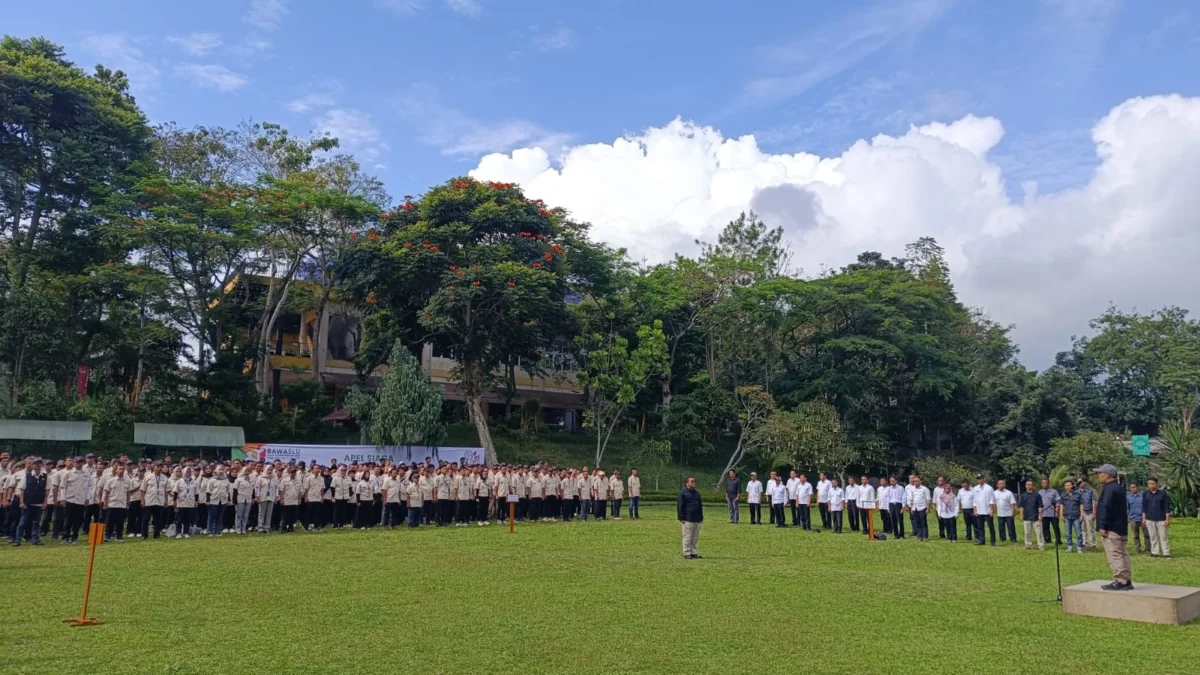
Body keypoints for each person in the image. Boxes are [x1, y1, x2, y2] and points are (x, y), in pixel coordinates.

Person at [1094, 464, 1132, 591]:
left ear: (1108, 474)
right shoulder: (1119, 488)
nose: (1099, 475)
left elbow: (1106, 507)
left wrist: (1103, 525)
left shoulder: (1109, 489)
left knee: (1114, 554)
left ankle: (1120, 580)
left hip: (1111, 528)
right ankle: (1126, 579)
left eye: (1100, 473)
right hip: (1121, 526)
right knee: (1123, 553)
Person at [10, 459, 46, 546]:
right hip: (27, 503)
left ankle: (35, 540)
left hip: (38, 503)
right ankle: (17, 540)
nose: (38, 466)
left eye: (39, 464)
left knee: (36, 522)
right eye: (36, 464)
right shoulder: (26, 476)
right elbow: (22, 490)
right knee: (23, 522)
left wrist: (45, 502)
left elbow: (47, 490)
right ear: (32, 466)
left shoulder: (45, 476)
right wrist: (22, 502)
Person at [1142, 477, 1171, 558]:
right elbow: (1144, 507)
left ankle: (1166, 553)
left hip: (1161, 518)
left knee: (1163, 536)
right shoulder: (1145, 494)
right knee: (1152, 536)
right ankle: (1155, 552)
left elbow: (1167, 507)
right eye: (1149, 484)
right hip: (1149, 518)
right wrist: (1144, 518)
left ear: (1157, 484)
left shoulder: (1163, 494)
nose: (1151, 485)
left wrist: (1167, 519)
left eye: (1153, 484)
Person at [677, 476, 703, 559]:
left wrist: (701, 517)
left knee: (695, 537)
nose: (694, 483)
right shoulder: (682, 493)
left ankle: (694, 552)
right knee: (687, 536)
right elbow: (680, 505)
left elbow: (700, 505)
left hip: (697, 518)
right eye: (692, 481)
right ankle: (687, 552)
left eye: (694, 481)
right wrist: (681, 517)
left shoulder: (697, 493)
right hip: (688, 518)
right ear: (687, 483)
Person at [1059, 480, 1084, 553]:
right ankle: (1070, 547)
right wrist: (1061, 514)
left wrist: (1082, 515)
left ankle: (1079, 548)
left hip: (1076, 516)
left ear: (1072, 486)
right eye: (1066, 485)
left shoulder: (1078, 494)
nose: (1067, 487)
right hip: (1067, 516)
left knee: (1078, 533)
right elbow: (1061, 505)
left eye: (1068, 485)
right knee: (1068, 533)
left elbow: (1081, 505)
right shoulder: (1063, 495)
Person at [1018, 480, 1043, 550]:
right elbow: (1021, 506)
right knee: (1027, 532)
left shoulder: (1037, 495)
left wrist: (1040, 515)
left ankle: (1040, 545)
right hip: (1026, 516)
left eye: (1029, 484)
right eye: (1027, 484)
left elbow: (1040, 506)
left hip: (1036, 517)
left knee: (1039, 532)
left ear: (1033, 486)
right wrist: (1021, 515)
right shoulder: (1023, 495)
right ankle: (1028, 544)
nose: (1028, 486)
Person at [905, 475, 931, 541]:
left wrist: (928, 508)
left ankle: (925, 536)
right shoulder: (912, 489)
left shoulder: (924, 489)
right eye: (914, 481)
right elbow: (911, 499)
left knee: (923, 522)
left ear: (920, 481)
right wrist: (911, 507)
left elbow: (928, 499)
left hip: (922, 507)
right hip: (914, 508)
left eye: (916, 481)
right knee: (917, 523)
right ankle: (919, 536)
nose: (915, 482)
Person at [972, 475, 996, 546]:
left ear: (983, 479)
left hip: (988, 511)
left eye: (980, 479)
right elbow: (974, 501)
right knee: (980, 527)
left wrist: (992, 510)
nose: (979, 480)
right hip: (979, 511)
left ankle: (993, 541)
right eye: (978, 479)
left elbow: (992, 500)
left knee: (991, 527)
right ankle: (982, 540)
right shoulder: (975, 488)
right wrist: (975, 510)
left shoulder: (989, 488)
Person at [1037, 479, 1061, 547]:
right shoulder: (1040, 492)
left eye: (1045, 483)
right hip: (1044, 513)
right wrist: (1039, 513)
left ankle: (1058, 540)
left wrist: (1057, 511)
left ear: (1048, 483)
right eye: (1043, 483)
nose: (1044, 484)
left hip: (1053, 513)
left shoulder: (1054, 491)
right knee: (1045, 528)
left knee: (1056, 527)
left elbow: (1058, 502)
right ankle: (1048, 540)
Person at [1125, 482, 1148, 553]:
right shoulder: (1128, 497)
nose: (1132, 489)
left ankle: (1148, 548)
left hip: (1143, 518)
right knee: (1135, 535)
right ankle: (1138, 549)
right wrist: (1127, 517)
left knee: (1147, 534)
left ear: (1137, 487)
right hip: (1133, 518)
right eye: (1131, 487)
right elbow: (1127, 507)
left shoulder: (1143, 496)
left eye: (1134, 487)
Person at [994, 480, 1016, 544]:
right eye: (999, 484)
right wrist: (994, 510)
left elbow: (1012, 503)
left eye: (1002, 484)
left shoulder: (1009, 493)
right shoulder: (994, 493)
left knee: (1011, 527)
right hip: (1000, 514)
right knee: (1001, 527)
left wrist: (1013, 512)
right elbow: (993, 503)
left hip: (1009, 513)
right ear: (997, 485)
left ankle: (1013, 539)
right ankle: (1002, 539)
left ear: (1005, 485)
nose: (1000, 485)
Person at [1078, 479, 1098, 550]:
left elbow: (1094, 502)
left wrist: (1094, 513)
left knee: (1090, 528)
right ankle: (1084, 543)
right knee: (1082, 529)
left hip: (1089, 512)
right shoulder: (1077, 492)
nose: (1080, 483)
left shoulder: (1090, 491)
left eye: (1081, 482)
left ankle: (1093, 544)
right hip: (1080, 513)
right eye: (1079, 482)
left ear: (1085, 482)